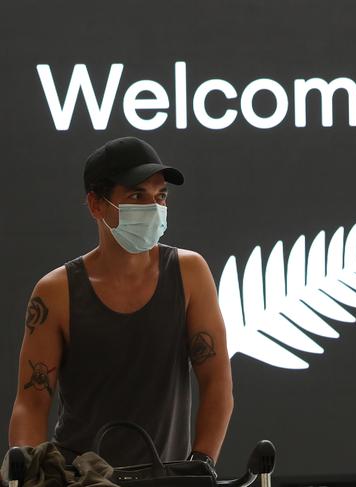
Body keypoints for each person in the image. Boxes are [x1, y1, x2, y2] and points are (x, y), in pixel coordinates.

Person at [7, 136, 233, 468]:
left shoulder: (190, 273)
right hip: (79, 479)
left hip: (167, 478)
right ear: (97, 204)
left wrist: (200, 464)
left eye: (161, 196)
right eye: (137, 195)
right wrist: (31, 468)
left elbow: (217, 384)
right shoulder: (55, 291)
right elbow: (32, 401)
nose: (153, 207)